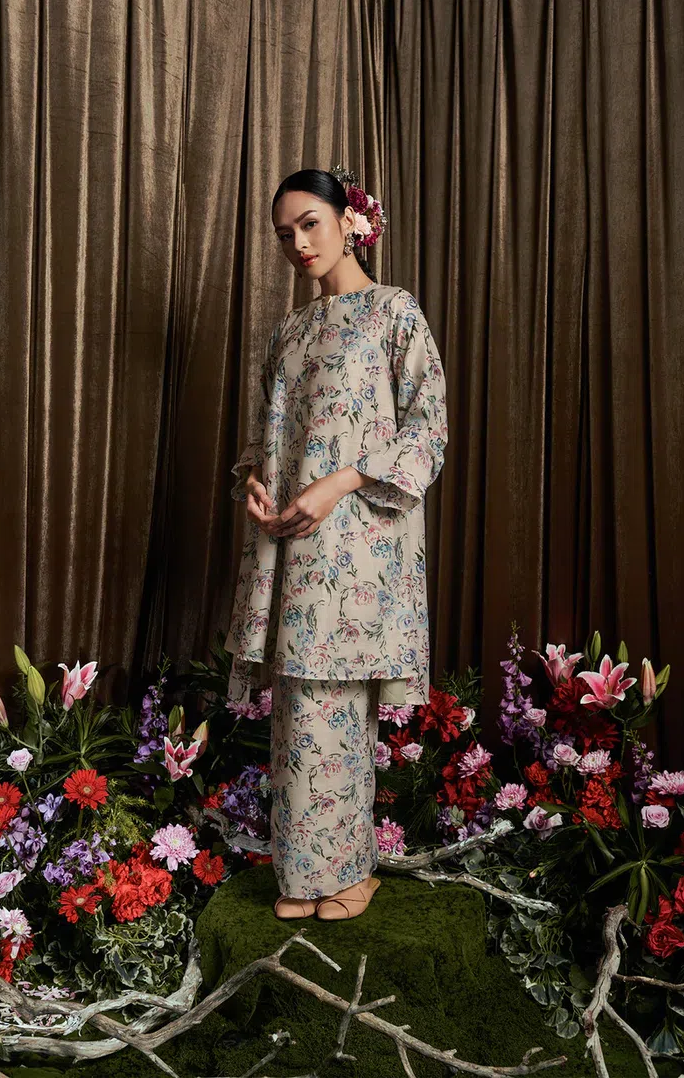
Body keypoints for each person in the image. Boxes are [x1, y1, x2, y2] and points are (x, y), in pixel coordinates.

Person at [224, 166, 448, 921]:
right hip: (290, 543)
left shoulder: (394, 313)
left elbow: (428, 431)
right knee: (298, 708)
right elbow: (268, 434)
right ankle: (303, 875)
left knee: (339, 706)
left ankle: (348, 873)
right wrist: (255, 482)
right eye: (285, 233)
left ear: (351, 220)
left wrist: (340, 482)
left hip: (358, 543)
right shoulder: (288, 332)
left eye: (310, 223)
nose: (298, 243)